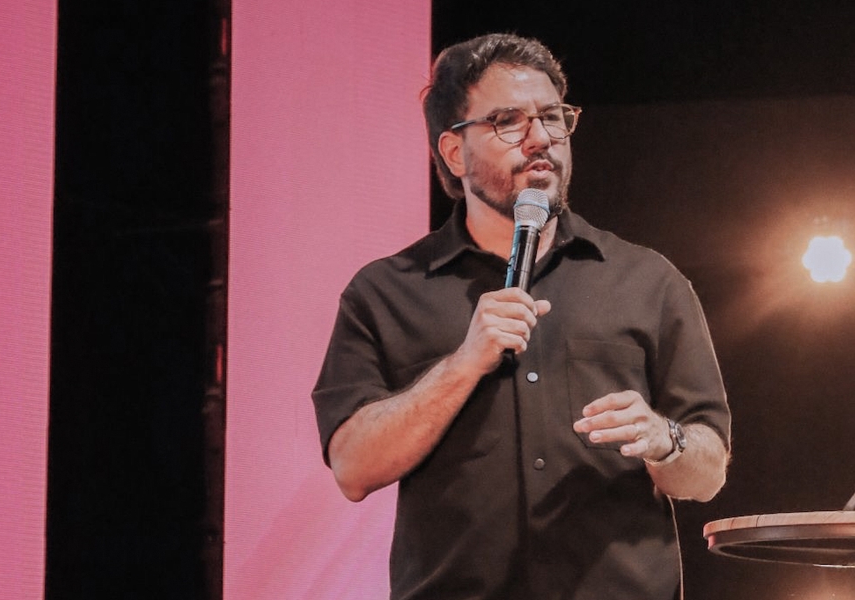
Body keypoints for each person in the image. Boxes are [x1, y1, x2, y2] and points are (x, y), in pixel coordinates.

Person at [312, 33, 731, 600]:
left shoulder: (648, 281)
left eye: (552, 117)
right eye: (508, 121)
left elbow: (708, 473)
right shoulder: (386, 292)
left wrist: (664, 438)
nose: (540, 138)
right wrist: (463, 364)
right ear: (454, 152)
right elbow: (352, 468)